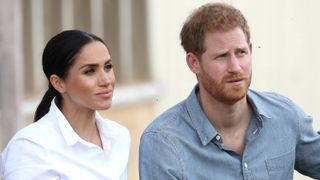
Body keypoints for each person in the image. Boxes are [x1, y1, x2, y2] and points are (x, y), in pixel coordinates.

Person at [139, 2, 320, 179]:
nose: (235, 67)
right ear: (194, 63)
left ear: (250, 50)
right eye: (222, 56)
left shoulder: (285, 116)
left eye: (241, 53)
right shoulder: (163, 143)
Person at [0, 30, 131, 179]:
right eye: (89, 71)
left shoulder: (119, 136)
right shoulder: (31, 148)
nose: (106, 80)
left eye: (108, 67)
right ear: (59, 83)